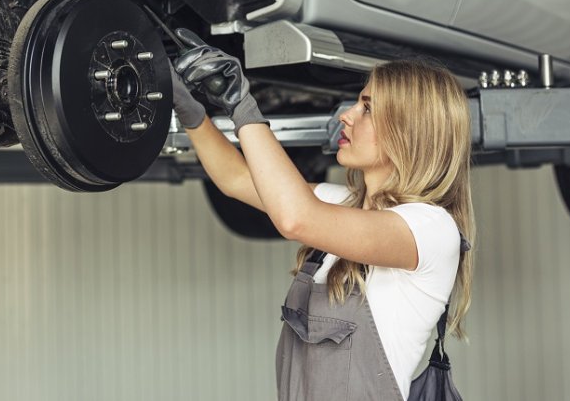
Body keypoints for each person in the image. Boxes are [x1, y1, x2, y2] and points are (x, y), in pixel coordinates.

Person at [170, 29, 475, 401]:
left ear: (408, 132)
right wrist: (191, 111)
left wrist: (242, 105)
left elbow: (295, 217)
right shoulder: (342, 204)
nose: (347, 115)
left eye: (367, 108)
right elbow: (237, 180)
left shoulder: (430, 229)